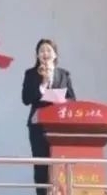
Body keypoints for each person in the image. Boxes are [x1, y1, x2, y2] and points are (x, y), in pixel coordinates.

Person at [22, 38, 76, 195]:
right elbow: (26, 99)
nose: (45, 53)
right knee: (41, 166)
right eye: (41, 51)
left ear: (55, 54)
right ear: (37, 55)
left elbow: (72, 99)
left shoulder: (63, 74)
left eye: (48, 50)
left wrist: (62, 100)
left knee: (60, 164)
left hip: (59, 126)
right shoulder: (31, 74)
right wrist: (43, 85)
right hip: (38, 127)